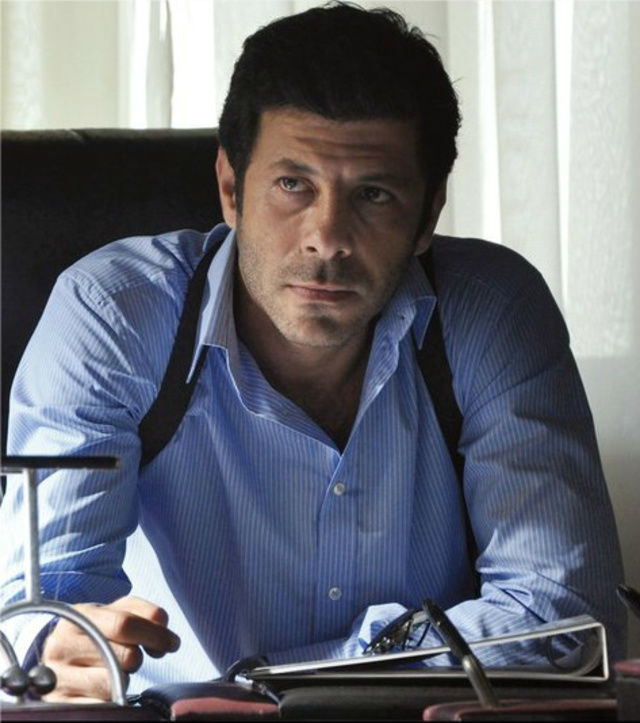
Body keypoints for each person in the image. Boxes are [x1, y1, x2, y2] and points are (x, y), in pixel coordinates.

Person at [0, 1, 625, 703]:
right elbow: (43, 615)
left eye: (374, 194)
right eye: (293, 184)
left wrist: (270, 686)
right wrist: (60, 650)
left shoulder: (491, 309)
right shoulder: (113, 311)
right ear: (231, 189)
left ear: (428, 213)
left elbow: (567, 620)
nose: (327, 237)